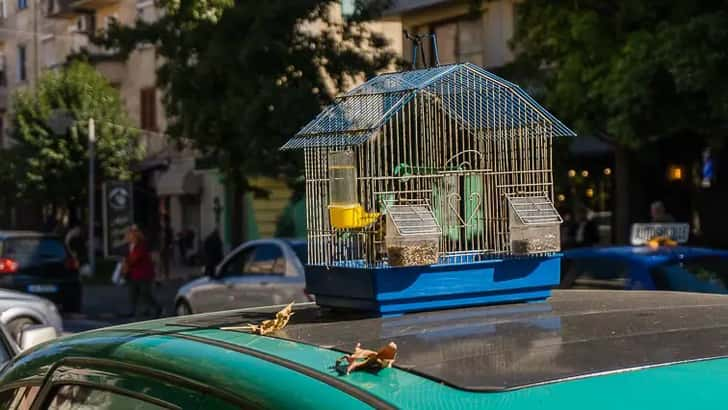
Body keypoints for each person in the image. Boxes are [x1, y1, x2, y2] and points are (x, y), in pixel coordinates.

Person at [123, 225, 162, 318]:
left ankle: (156, 308)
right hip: (133, 274)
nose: (130, 236)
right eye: (129, 234)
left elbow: (135, 258)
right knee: (133, 293)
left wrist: (126, 263)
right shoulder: (129, 246)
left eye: (132, 234)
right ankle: (133, 311)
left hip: (144, 274)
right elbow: (128, 258)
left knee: (145, 293)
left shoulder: (141, 245)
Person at [159, 216, 173, 280]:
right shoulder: (159, 229)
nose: (162, 223)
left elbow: (170, 238)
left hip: (166, 247)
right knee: (160, 262)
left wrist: (170, 245)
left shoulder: (168, 229)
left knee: (166, 262)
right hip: (160, 247)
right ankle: (160, 275)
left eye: (163, 221)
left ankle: (166, 275)